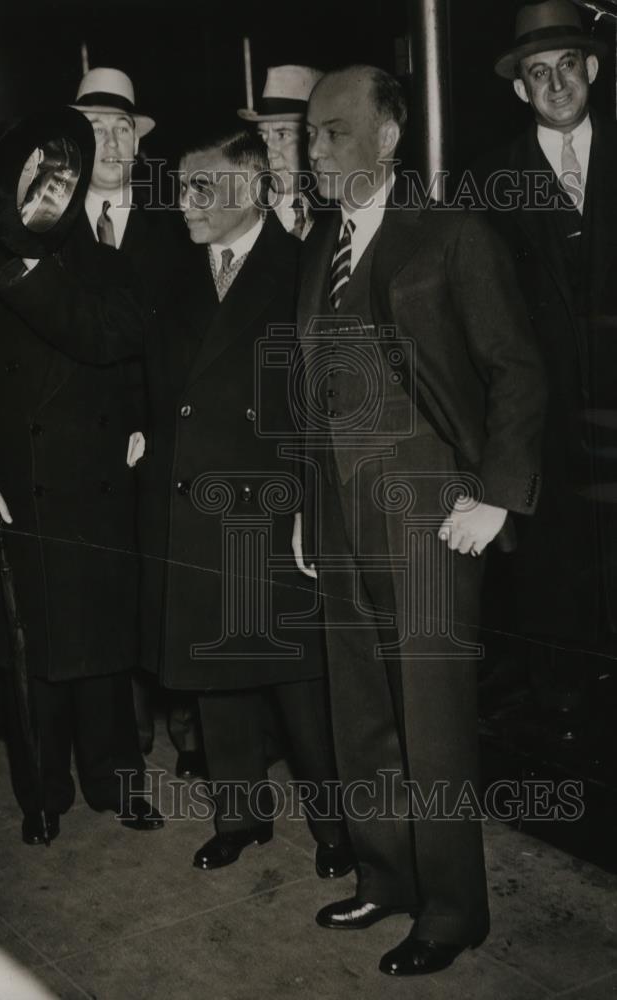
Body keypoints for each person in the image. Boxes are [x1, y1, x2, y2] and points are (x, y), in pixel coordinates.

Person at [296, 66, 547, 975]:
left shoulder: (452, 234)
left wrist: (496, 496)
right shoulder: (321, 250)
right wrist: (306, 515)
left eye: (333, 132)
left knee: (434, 728)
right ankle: (388, 877)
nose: (314, 150)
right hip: (341, 524)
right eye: (308, 135)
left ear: (389, 135)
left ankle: (452, 911)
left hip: (435, 520)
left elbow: (518, 370)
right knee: (362, 714)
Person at [0, 106, 164, 845]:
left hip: (97, 490)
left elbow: (128, 352)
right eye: (34, 177)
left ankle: (118, 784)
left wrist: (139, 424)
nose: (49, 193)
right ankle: (42, 795)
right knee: (32, 661)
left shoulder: (107, 263)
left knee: (104, 657)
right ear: (4, 185)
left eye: (60, 177)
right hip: (11, 495)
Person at [138, 125, 350, 878]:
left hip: (274, 513)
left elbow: (326, 406)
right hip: (196, 507)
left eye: (202, 188)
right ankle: (240, 817)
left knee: (300, 686)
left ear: (253, 188)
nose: (185, 203)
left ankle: (336, 830)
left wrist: (311, 512)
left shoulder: (303, 271)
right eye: (181, 187)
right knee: (214, 676)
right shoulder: (174, 273)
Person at [476, 0, 616, 734]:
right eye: (539, 73)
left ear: (591, 69)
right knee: (553, 578)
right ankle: (564, 716)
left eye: (568, 66)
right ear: (519, 89)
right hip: (544, 427)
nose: (556, 83)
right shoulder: (491, 182)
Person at [71, 66, 204, 778]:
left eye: (123, 128)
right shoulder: (54, 228)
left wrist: (158, 420)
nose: (113, 142)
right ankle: (126, 731)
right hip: (85, 439)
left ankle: (188, 725)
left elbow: (190, 332)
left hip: (162, 430)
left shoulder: (174, 224)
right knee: (105, 582)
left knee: (169, 574)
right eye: (97, 129)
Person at [238, 65, 322, 240]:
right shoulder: (242, 217)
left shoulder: (337, 213)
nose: (270, 152)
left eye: (282, 135)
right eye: (263, 136)